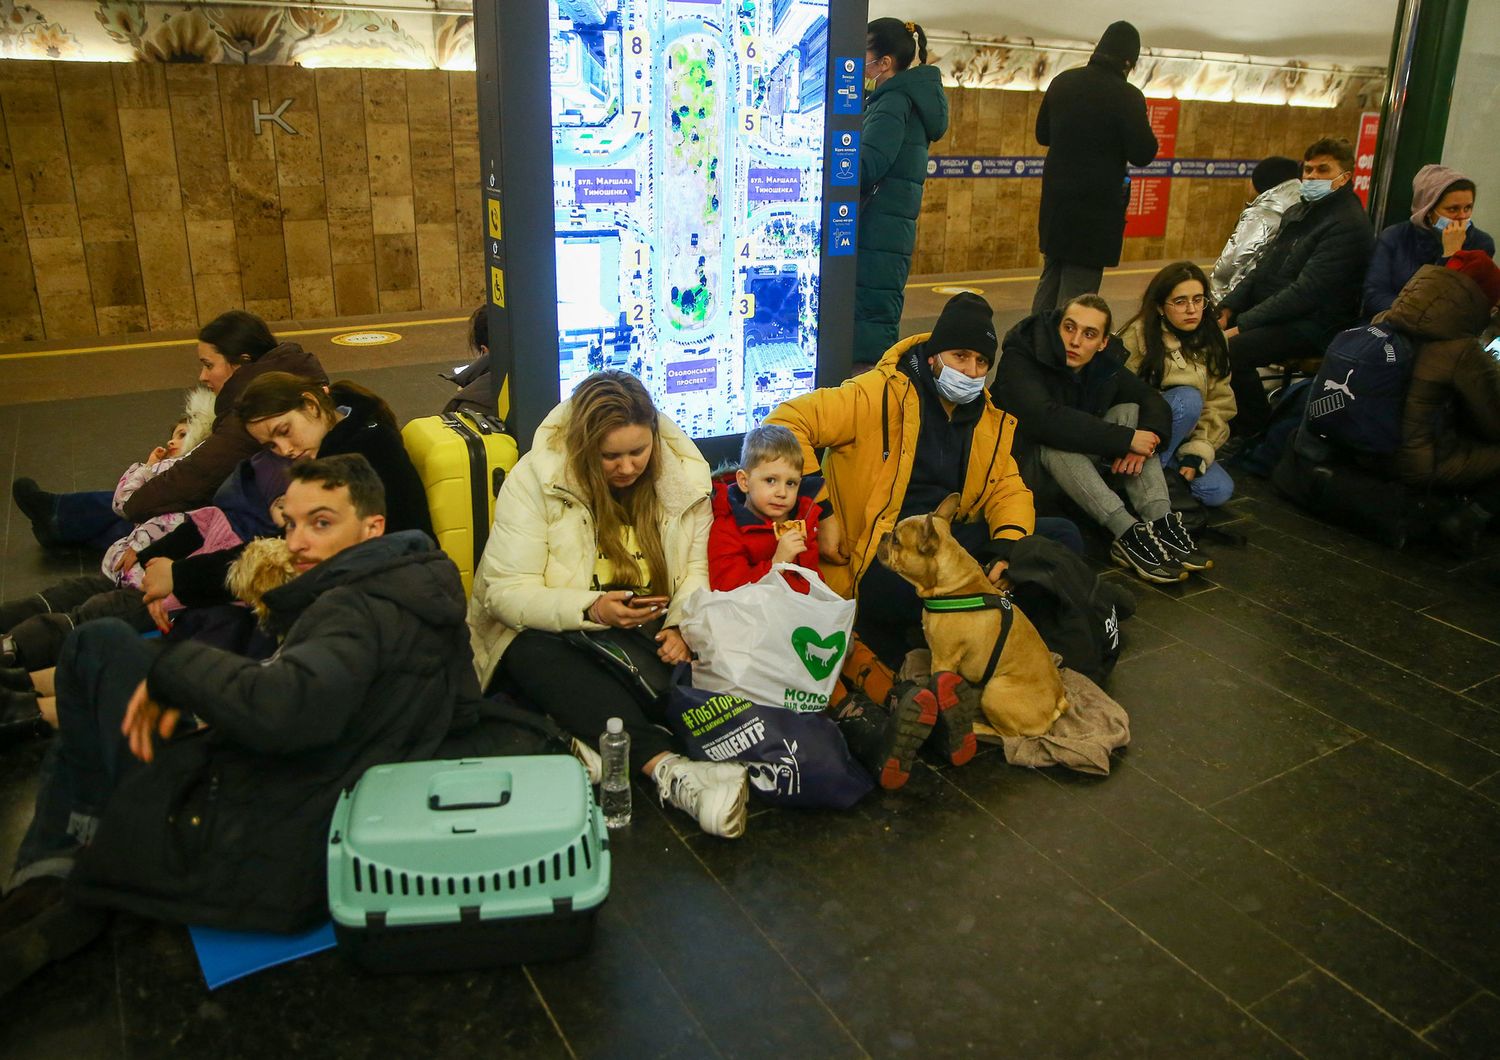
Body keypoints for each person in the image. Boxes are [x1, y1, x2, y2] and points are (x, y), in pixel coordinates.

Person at [0, 454, 479, 996]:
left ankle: (57, 871)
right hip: (325, 794)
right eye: (291, 524)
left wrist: (176, 672)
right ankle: (64, 867)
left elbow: (286, 711)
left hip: (268, 831)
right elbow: (461, 709)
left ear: (372, 529)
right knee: (101, 652)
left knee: (98, 646)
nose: (297, 542)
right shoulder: (422, 585)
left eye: (321, 523)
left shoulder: (351, 609)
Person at [468, 371, 750, 839]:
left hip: (645, 631)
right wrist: (593, 609)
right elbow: (503, 592)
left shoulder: (685, 478)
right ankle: (670, 771)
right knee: (530, 653)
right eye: (610, 456)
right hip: (556, 630)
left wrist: (680, 626)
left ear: (655, 438)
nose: (626, 467)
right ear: (582, 446)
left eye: (638, 452)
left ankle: (584, 737)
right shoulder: (536, 478)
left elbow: (695, 573)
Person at [767, 292, 1034, 661]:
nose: (971, 372)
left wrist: (1007, 548)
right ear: (933, 357)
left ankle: (973, 633)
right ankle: (976, 638)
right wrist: (822, 511)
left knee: (1053, 539)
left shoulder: (985, 418)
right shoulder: (877, 393)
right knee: (912, 596)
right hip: (884, 547)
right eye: (960, 356)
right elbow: (785, 422)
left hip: (944, 540)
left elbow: (1008, 489)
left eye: (981, 362)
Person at [11, 312, 325, 548]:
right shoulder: (291, 370)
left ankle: (61, 519)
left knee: (155, 513)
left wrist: (133, 502)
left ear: (241, 363)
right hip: (255, 500)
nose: (203, 376)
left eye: (208, 364)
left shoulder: (256, 410)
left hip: (252, 514)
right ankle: (61, 518)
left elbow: (196, 476)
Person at [992, 293, 1208, 583]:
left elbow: (1148, 398)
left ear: (1103, 342)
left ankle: (1160, 520)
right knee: (1058, 441)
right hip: (1020, 470)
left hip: (1076, 468)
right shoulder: (1024, 354)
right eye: (1069, 328)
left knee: (1130, 410)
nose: (1076, 341)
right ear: (1058, 326)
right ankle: (1126, 533)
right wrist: (1125, 440)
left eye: (1089, 334)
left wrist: (1146, 439)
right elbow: (1043, 419)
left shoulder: (1104, 361)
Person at [1218, 137, 1376, 438]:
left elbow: (1307, 292)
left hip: (1314, 324)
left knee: (1229, 350)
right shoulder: (1299, 212)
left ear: (1345, 178)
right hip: (1279, 314)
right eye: (1308, 170)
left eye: (1323, 170)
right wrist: (1229, 307)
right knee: (1197, 331)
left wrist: (1242, 325)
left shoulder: (1347, 224)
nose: (1312, 177)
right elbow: (1263, 267)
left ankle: (1254, 429)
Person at [1030, 21, 1158, 315]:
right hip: (1095, 214)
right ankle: (1061, 357)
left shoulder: (1063, 82)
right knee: (1077, 296)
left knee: (1050, 279)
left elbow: (1042, 135)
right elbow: (1143, 153)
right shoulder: (1127, 96)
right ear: (1129, 61)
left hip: (1057, 207)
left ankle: (1032, 348)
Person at [1386, 252, 1500, 550]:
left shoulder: (1387, 318)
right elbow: (1495, 424)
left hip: (1375, 444)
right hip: (1421, 461)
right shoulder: (1463, 350)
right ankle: (1470, 518)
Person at [854, 17, 949, 367]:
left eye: (864, 52)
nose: (858, 60)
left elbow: (866, 166)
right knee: (875, 316)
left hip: (877, 230)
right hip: (887, 231)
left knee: (868, 324)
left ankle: (861, 400)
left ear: (885, 63)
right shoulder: (897, 99)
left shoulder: (894, 103)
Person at [1118, 261, 1237, 507]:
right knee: (1188, 398)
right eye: (1180, 302)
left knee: (1218, 491)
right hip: (1140, 434)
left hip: (1180, 441)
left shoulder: (1214, 338)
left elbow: (1219, 405)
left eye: (1198, 300)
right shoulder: (1137, 336)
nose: (1191, 310)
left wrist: (1196, 453)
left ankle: (1153, 480)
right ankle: (1141, 483)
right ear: (1161, 307)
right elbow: (1118, 398)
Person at [1363, 165, 1494, 319]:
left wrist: (1452, 255)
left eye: (1468, 208)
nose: (1462, 216)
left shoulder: (1481, 244)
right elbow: (1374, 295)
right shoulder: (1394, 237)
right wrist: (1413, 314)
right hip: (1394, 324)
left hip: (1445, 335)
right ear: (1428, 210)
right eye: (1453, 209)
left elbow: (1459, 305)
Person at [708, 425, 822, 592]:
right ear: (744, 481)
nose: (782, 493)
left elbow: (811, 580)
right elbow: (727, 589)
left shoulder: (804, 519)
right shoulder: (727, 529)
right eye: (770, 480)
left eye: (791, 483)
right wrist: (777, 563)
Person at [1209, 156, 1303, 302]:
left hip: (1243, 302)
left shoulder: (1261, 217)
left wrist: (1218, 307)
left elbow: (1229, 268)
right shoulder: (1299, 211)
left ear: (1263, 182)